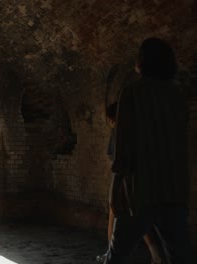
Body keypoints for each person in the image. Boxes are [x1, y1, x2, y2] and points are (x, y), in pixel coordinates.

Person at [105, 38, 193, 263]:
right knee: (179, 256)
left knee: (117, 256)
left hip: (142, 189)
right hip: (174, 188)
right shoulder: (177, 95)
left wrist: (115, 189)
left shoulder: (133, 92)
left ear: (143, 60)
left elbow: (124, 145)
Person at [96, 103, 162, 263]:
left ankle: (111, 254)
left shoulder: (119, 134)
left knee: (117, 218)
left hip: (125, 184)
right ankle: (155, 254)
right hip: (139, 184)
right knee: (141, 220)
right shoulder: (138, 132)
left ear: (112, 119)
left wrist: (114, 188)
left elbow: (117, 162)